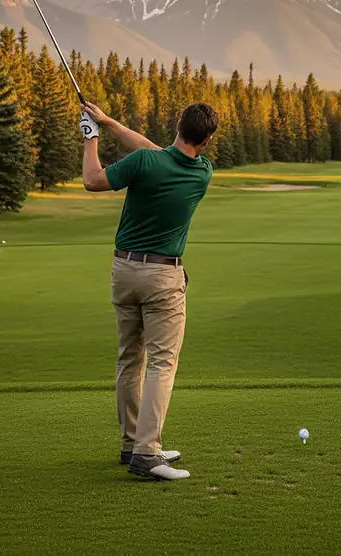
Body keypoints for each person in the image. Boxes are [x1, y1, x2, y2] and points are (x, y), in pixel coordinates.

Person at [79, 100, 218, 481]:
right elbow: (152, 152)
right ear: (205, 141)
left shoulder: (146, 163)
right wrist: (105, 124)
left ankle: (131, 444)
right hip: (162, 278)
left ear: (177, 125)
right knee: (162, 363)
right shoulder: (202, 172)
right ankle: (146, 452)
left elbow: (94, 178)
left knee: (129, 359)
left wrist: (91, 137)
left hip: (123, 271)